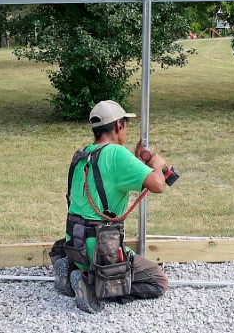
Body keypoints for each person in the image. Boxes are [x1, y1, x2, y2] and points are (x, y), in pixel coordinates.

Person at [50, 100, 170, 313]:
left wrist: (135, 161)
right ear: (118, 126)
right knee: (157, 281)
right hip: (101, 250)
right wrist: (157, 165)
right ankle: (90, 285)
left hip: (75, 244)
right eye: (125, 124)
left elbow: (109, 180)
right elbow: (158, 185)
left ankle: (71, 269)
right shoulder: (117, 154)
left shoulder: (83, 154)